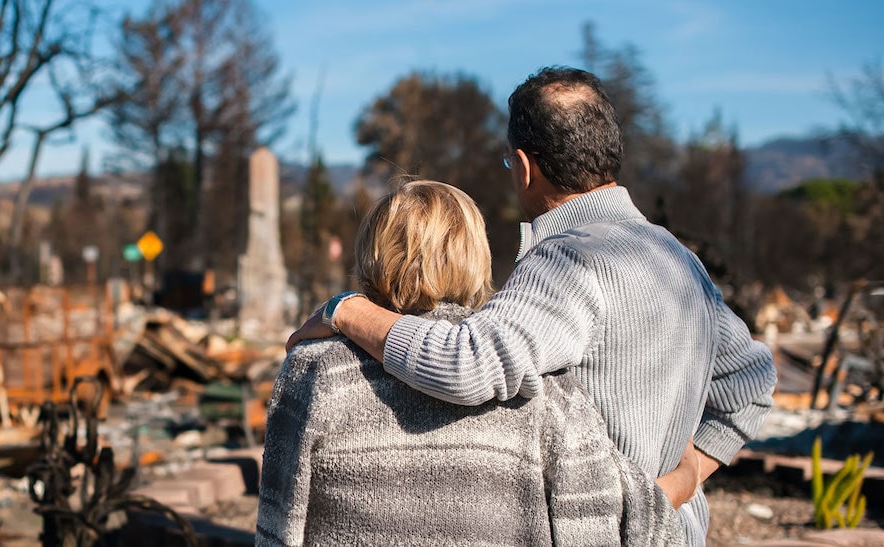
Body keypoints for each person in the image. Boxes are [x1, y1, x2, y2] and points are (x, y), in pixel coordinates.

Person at [288, 67, 777, 544]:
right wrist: (688, 475)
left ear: (524, 167)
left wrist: (346, 310)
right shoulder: (676, 258)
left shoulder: (569, 258)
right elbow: (752, 382)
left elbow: (465, 363)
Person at [258, 180, 685, 546]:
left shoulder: (314, 370)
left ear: (370, 254)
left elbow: (279, 523)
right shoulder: (542, 387)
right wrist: (689, 474)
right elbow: (610, 517)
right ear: (475, 256)